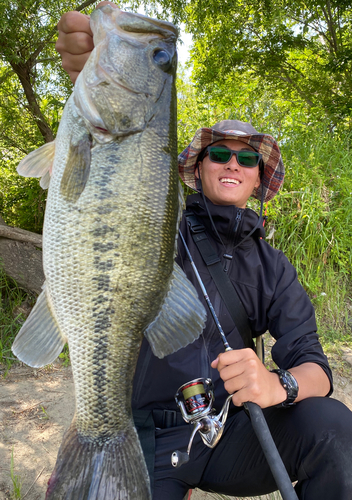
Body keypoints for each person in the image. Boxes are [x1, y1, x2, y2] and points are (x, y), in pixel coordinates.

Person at [56, 6, 352, 499]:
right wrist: (89, 70)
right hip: (145, 436)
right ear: (199, 168)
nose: (232, 163)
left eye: (247, 157)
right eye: (219, 153)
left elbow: (316, 367)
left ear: (260, 178)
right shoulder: (160, 221)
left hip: (229, 433)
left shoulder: (274, 268)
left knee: (335, 428)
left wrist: (280, 387)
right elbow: (113, 189)